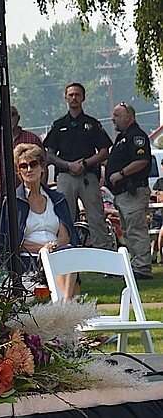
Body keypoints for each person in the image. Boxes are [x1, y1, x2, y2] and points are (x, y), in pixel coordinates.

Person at [0, 143, 78, 297]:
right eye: (23, 166)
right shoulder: (13, 202)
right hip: (27, 259)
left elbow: (65, 236)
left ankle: (64, 306)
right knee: (64, 261)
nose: (29, 169)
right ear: (18, 171)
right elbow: (11, 241)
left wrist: (51, 247)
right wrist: (43, 250)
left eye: (33, 164)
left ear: (42, 167)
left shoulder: (57, 199)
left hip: (57, 252)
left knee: (67, 255)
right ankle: (66, 308)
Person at [42, 82, 114, 249]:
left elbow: (104, 151)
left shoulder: (92, 124)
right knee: (64, 218)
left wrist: (84, 163)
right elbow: (49, 154)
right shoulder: (59, 125)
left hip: (88, 176)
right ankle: (66, 252)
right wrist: (69, 165)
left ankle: (104, 257)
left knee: (96, 217)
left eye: (77, 95)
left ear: (83, 98)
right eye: (71, 94)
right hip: (66, 177)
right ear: (65, 97)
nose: (74, 97)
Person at [107, 102, 153, 279]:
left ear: (129, 117)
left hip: (133, 192)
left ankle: (142, 268)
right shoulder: (123, 137)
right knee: (128, 231)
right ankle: (137, 265)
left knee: (136, 229)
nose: (113, 118)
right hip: (123, 194)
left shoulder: (136, 136)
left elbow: (142, 160)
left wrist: (121, 173)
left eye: (117, 115)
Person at [0, 107, 43, 204]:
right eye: (4, 116)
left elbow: (44, 166)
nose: (8, 118)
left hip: (30, 196)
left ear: (18, 118)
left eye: (12, 115)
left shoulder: (32, 139)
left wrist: (41, 192)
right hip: (2, 198)